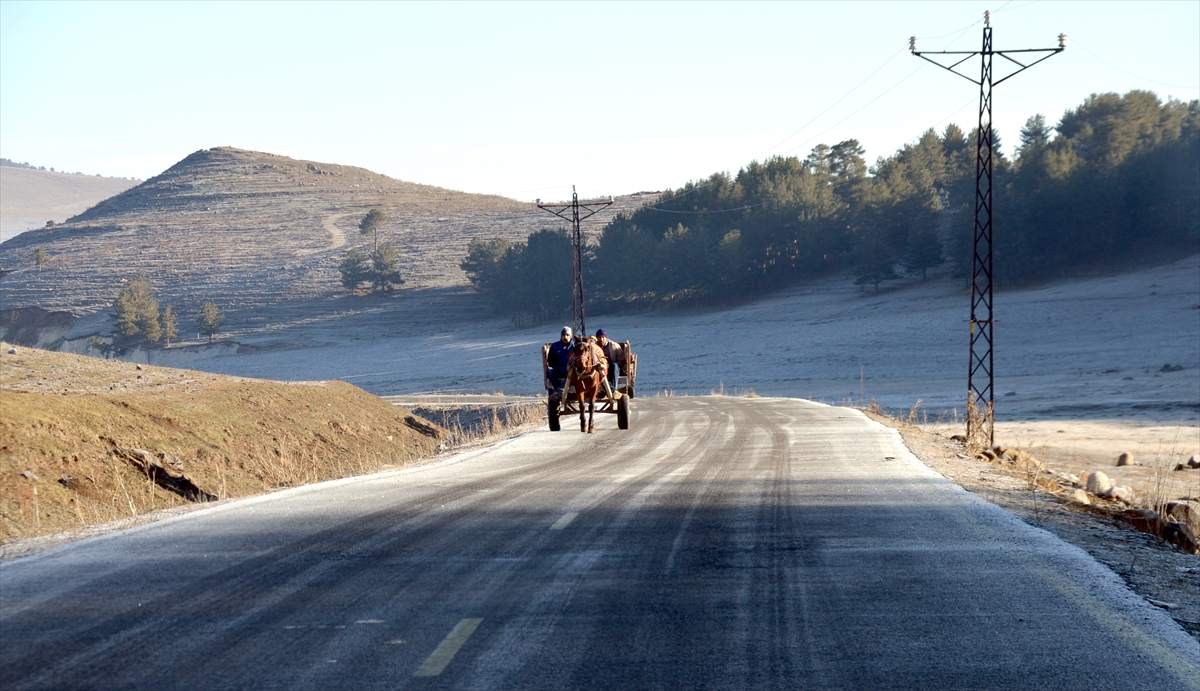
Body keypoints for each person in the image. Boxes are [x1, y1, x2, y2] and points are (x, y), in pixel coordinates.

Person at [595, 328, 625, 393]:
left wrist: (612, 365)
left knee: (614, 365)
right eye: (599, 337)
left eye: (603, 337)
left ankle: (613, 390)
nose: (601, 339)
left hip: (611, 366)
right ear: (597, 338)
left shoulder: (614, 346)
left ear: (606, 338)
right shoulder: (595, 347)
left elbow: (621, 359)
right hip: (599, 367)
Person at [545, 326, 573, 392]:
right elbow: (550, 360)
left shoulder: (574, 346)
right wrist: (556, 367)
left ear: (571, 336)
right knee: (549, 370)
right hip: (558, 370)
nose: (565, 337)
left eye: (567, 335)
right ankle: (558, 389)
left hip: (571, 370)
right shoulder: (555, 346)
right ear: (561, 336)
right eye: (563, 335)